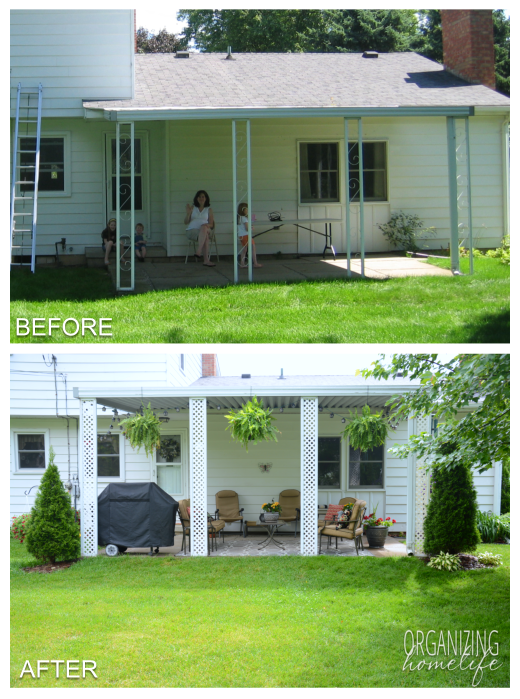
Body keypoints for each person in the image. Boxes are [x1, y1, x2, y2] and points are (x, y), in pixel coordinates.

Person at [184, 190, 216, 267]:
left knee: (204, 228)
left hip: (205, 229)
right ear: (196, 198)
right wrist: (188, 214)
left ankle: (198, 251)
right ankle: (206, 260)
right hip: (192, 231)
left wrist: (206, 225)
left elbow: (211, 224)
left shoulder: (209, 209)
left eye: (203, 196)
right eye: (199, 197)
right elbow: (185, 222)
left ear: (206, 198)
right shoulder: (193, 208)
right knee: (205, 236)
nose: (201, 198)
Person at [237, 202, 262, 268]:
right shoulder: (244, 218)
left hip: (241, 235)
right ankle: (255, 263)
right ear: (243, 210)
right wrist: (251, 227)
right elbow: (247, 228)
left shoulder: (240, 217)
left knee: (245, 249)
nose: (248, 211)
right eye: (247, 209)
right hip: (246, 235)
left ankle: (242, 263)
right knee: (253, 248)